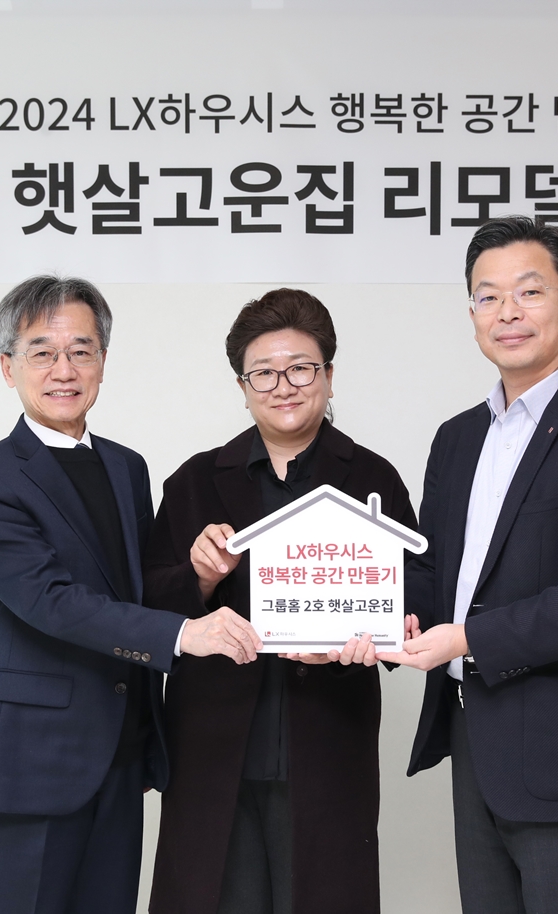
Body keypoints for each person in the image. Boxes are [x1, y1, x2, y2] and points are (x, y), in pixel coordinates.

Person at [377, 217, 558, 914]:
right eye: (488, 297)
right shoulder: (457, 439)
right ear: (472, 315)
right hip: (475, 742)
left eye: (529, 291)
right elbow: (436, 573)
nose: (507, 312)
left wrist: (467, 639)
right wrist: (382, 617)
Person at [0, 275, 262, 914]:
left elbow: (132, 588)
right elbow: (49, 601)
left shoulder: (126, 467)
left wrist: (201, 578)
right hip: (29, 764)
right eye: (42, 352)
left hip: (120, 756)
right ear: (8, 368)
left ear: (103, 360)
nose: (64, 370)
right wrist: (185, 634)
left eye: (81, 351)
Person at [143, 288, 416, 914]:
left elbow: (412, 595)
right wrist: (199, 577)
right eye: (263, 373)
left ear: (328, 375)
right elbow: (149, 602)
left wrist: (372, 640)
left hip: (328, 738)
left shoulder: (372, 479)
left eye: (301, 369)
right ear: (242, 387)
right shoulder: (194, 480)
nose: (283, 386)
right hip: (213, 745)